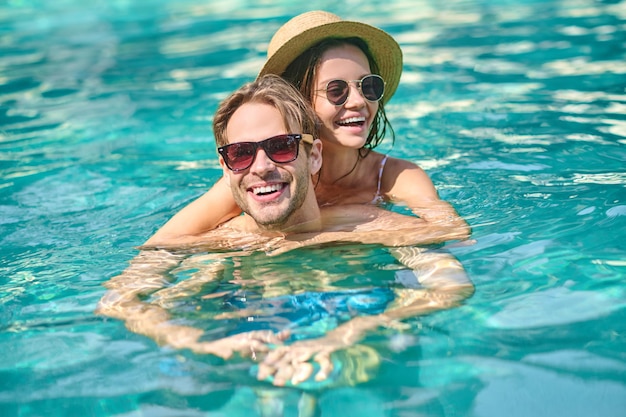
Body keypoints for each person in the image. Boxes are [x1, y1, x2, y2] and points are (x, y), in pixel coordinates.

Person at [98, 75, 474, 391]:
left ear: (314, 156)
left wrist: (354, 333)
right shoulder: (216, 244)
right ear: (226, 168)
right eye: (241, 154)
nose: (260, 167)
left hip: (359, 344)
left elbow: (451, 285)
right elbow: (119, 299)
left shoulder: (369, 223)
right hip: (242, 342)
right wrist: (193, 341)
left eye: (280, 147)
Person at [145, 10, 470, 247]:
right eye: (336, 91)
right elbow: (163, 243)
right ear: (297, 100)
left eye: (368, 87)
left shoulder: (394, 176)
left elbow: (453, 233)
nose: (358, 101)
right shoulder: (265, 174)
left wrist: (323, 227)